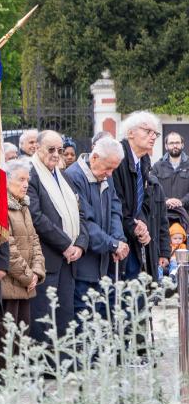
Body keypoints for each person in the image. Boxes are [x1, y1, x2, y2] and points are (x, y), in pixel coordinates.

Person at [27, 130, 88, 342]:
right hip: (47, 258)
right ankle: (44, 367)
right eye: (50, 149)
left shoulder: (62, 176)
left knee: (64, 315)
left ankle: (63, 365)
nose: (56, 154)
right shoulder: (31, 174)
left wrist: (80, 244)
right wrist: (65, 244)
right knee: (44, 317)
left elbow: (80, 212)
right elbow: (36, 216)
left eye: (59, 150)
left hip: (69, 259)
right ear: (37, 148)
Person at [64, 138, 128, 324]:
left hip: (104, 265)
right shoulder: (74, 176)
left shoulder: (105, 174)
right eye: (107, 168)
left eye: (113, 169)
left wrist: (118, 239)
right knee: (85, 326)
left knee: (102, 325)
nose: (109, 174)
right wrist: (112, 243)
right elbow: (84, 221)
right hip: (83, 267)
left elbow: (115, 208)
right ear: (94, 157)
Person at [111, 111, 168, 279]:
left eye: (155, 133)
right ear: (130, 133)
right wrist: (133, 225)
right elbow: (117, 200)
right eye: (147, 131)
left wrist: (142, 224)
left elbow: (143, 200)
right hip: (119, 236)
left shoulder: (144, 160)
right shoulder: (118, 156)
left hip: (137, 234)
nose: (153, 137)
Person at [1, 159, 46, 333]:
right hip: (9, 285)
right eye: (21, 179)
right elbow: (8, 247)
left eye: (27, 180)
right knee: (7, 337)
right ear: (6, 180)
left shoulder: (23, 206)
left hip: (26, 284)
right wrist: (29, 277)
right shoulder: (3, 207)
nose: (26, 184)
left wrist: (37, 272)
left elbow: (34, 240)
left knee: (23, 335)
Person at [152, 132, 189, 212]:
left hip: (186, 215)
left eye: (177, 143)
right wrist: (166, 200)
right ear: (166, 146)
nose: (175, 146)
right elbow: (152, 189)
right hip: (163, 215)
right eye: (171, 143)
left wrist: (182, 202)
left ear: (182, 145)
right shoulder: (157, 166)